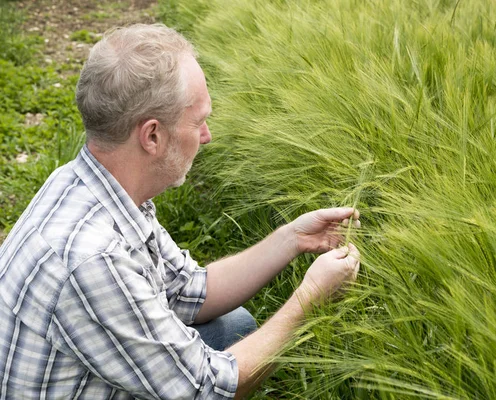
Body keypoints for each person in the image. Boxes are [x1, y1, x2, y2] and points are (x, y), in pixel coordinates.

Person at [0, 24, 360, 399]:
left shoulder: (95, 183)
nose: (207, 136)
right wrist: (311, 296)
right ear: (152, 136)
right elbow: (206, 390)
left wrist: (293, 239)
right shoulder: (92, 258)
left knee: (233, 326)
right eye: (198, 120)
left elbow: (188, 291)